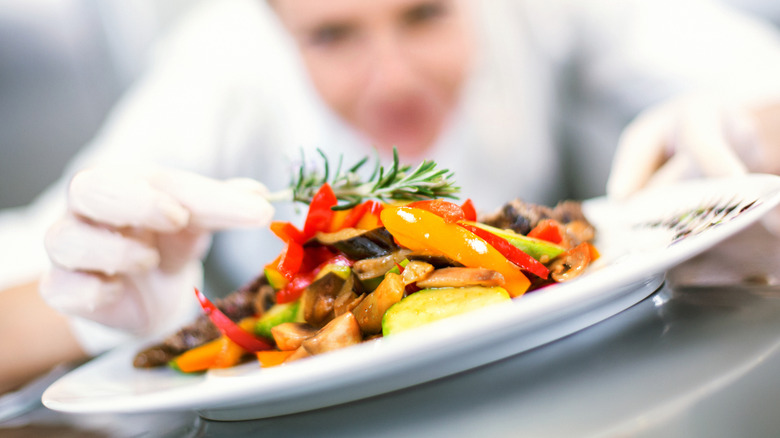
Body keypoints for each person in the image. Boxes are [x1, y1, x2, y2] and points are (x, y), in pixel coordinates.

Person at [2, 0, 780, 395]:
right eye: (333, 35)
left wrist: (744, 133)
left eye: (425, 12)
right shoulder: (219, 64)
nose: (395, 79)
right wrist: (84, 305)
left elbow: (754, 75)